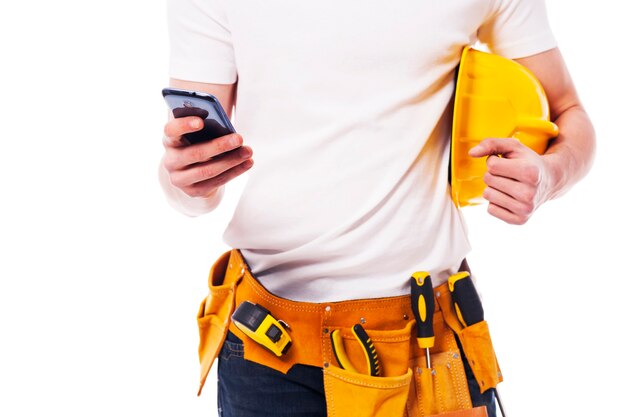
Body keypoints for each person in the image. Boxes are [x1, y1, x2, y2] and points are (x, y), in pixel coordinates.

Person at [159, 0, 595, 416]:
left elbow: (569, 111)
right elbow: (188, 164)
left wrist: (550, 176)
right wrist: (185, 182)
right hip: (271, 352)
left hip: (430, 346)